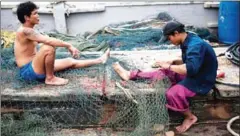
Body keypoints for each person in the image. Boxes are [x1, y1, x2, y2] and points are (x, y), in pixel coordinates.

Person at [113, 21, 218, 133]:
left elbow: (190, 69)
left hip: (201, 80)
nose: (169, 41)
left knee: (172, 93)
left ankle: (190, 117)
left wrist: (169, 66)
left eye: (169, 38)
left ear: (176, 33)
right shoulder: (187, 38)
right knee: (162, 72)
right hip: (196, 73)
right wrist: (174, 61)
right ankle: (130, 75)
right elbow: (193, 60)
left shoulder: (195, 45)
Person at [14, 1, 110, 85]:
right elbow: (49, 41)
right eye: (35, 13)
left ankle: (100, 60)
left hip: (36, 66)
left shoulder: (30, 31)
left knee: (70, 61)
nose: (38, 16)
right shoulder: (25, 31)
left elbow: (44, 38)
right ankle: (50, 78)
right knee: (48, 47)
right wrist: (68, 45)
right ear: (27, 17)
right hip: (28, 72)